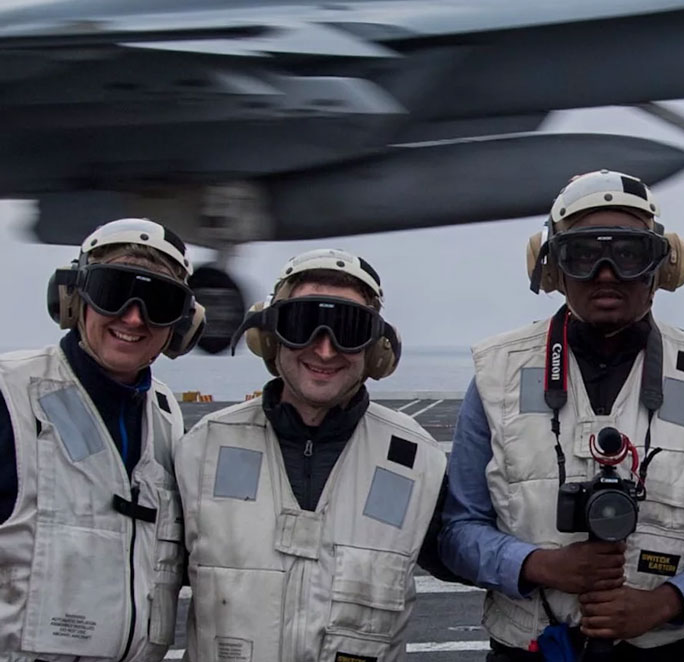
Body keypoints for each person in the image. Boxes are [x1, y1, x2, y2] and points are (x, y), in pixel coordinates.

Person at [440, 169, 684, 661]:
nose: (607, 273)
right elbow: (458, 528)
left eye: (630, 254)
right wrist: (539, 566)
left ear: (663, 267)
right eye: (584, 255)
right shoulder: (497, 374)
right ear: (553, 269)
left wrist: (665, 603)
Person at [175, 248, 447, 662]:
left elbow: (474, 550)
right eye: (302, 325)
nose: (324, 350)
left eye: (349, 329)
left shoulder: (418, 464)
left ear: (377, 351)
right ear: (268, 337)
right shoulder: (203, 449)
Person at [0, 218, 204, 661]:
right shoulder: (9, 394)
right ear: (74, 300)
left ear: (182, 325)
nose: (133, 317)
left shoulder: (167, 419)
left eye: (158, 301)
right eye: (114, 292)